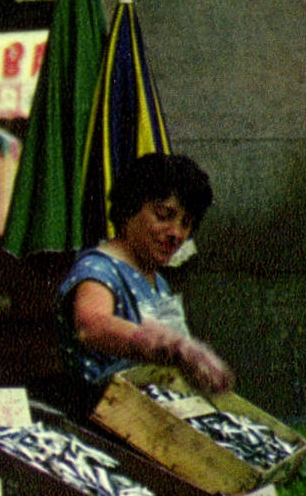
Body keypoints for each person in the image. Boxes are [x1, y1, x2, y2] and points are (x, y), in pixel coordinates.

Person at [56, 152, 233, 413]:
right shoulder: (97, 268)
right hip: (105, 418)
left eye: (186, 224)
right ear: (129, 209)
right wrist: (173, 346)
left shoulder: (158, 281)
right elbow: (92, 326)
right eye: (164, 215)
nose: (176, 233)